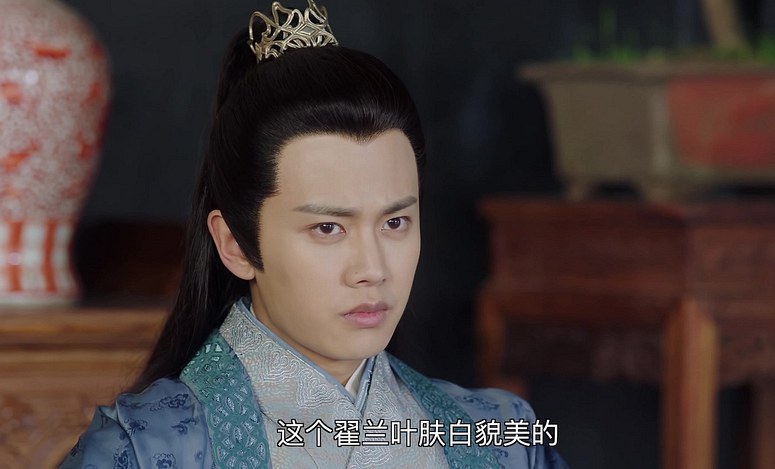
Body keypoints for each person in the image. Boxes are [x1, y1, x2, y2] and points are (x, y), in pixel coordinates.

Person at [60, 2, 569, 468]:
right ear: (235, 244)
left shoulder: (504, 440)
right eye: (328, 228)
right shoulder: (144, 450)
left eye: (394, 223)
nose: (373, 269)